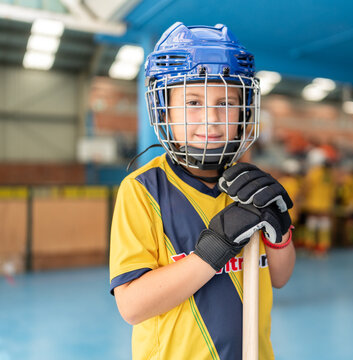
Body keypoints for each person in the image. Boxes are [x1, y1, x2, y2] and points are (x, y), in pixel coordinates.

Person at [109, 22, 296, 359]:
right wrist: (214, 250)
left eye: (225, 104)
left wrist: (280, 231)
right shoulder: (141, 190)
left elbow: (279, 278)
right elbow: (132, 306)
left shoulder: (251, 187)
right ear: (164, 109)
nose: (211, 119)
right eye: (193, 102)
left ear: (244, 112)